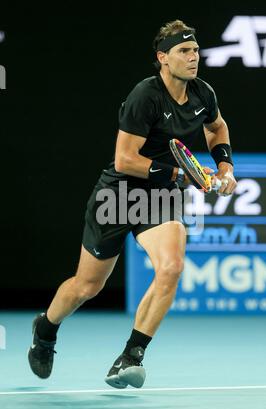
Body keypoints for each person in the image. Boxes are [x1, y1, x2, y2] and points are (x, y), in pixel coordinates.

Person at [28, 19, 237, 388]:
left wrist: (225, 167)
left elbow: (216, 127)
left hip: (160, 197)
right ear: (163, 58)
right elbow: (125, 159)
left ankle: (131, 356)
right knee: (86, 287)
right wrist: (180, 175)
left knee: (171, 267)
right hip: (120, 193)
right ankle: (45, 328)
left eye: (195, 51)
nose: (193, 57)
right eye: (183, 52)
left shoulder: (203, 93)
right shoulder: (145, 95)